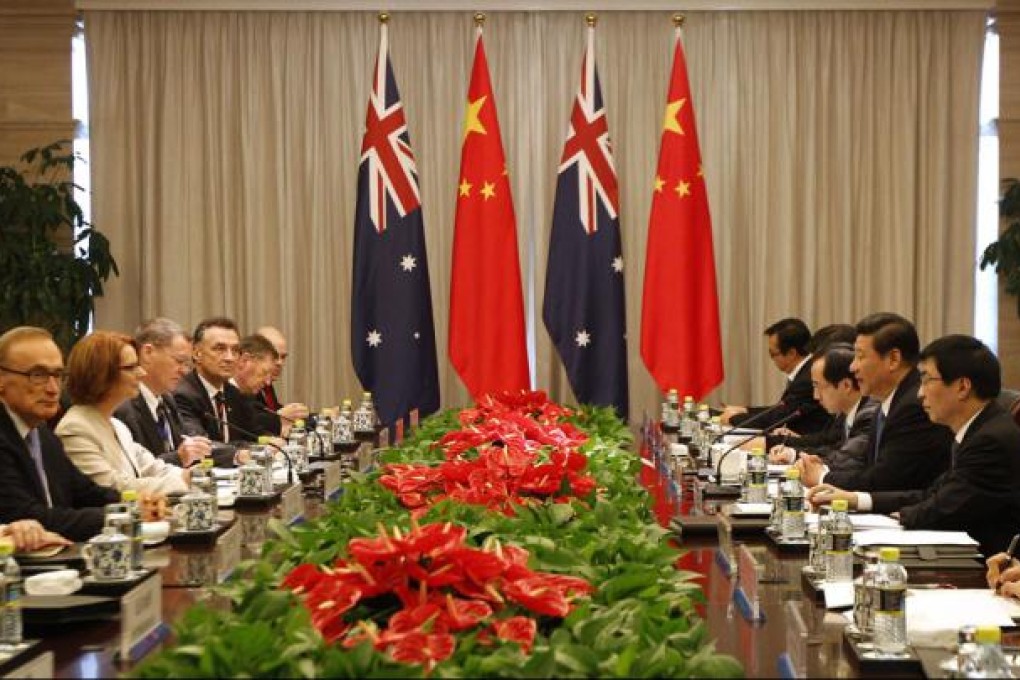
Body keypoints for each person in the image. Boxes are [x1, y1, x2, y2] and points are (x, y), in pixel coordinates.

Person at [811, 335, 1020, 557]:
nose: (920, 393)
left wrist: (897, 517)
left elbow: (941, 510)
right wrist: (856, 499)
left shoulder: (990, 440)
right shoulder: (979, 429)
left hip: (988, 570)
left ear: (962, 387)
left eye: (927, 380)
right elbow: (932, 494)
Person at [798, 312, 953, 492]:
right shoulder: (888, 403)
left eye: (860, 356)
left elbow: (887, 480)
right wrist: (824, 466)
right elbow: (866, 467)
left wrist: (823, 477)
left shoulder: (914, 406)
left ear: (893, 359)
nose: (852, 367)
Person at [0, 326, 122, 541]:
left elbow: (85, 492)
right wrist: (122, 516)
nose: (53, 388)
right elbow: (27, 516)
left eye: (58, 375)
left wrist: (137, 503)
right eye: (38, 375)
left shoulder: (43, 433)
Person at [55, 331, 188, 495]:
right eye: (131, 367)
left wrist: (193, 476)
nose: (142, 373)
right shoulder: (75, 428)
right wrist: (181, 482)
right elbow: (111, 486)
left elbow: (153, 467)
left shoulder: (117, 426)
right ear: (101, 374)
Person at [114, 318, 211, 468]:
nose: (184, 371)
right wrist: (178, 457)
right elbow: (133, 469)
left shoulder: (167, 400)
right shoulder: (122, 407)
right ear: (148, 353)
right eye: (179, 361)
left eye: (187, 364)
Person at [769, 343, 877, 476]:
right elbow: (833, 448)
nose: (815, 396)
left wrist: (812, 468)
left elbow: (845, 460)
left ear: (846, 385)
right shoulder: (846, 413)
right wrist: (792, 454)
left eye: (817, 386)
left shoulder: (869, 415)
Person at [721, 317, 830, 434]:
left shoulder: (807, 378)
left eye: (773, 354)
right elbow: (781, 409)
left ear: (792, 353)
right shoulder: (805, 370)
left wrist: (733, 419)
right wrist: (745, 410)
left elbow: (777, 418)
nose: (772, 359)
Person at [173, 318, 257, 462]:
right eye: (220, 349)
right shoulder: (183, 394)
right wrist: (238, 454)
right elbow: (199, 445)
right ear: (196, 353)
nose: (230, 358)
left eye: (235, 350)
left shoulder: (233, 394)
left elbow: (250, 437)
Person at [253, 326, 309, 434]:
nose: (279, 363)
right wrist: (279, 417)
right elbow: (250, 421)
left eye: (283, 357)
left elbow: (273, 410)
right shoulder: (244, 385)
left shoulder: (267, 384)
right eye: (274, 357)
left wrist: (312, 416)